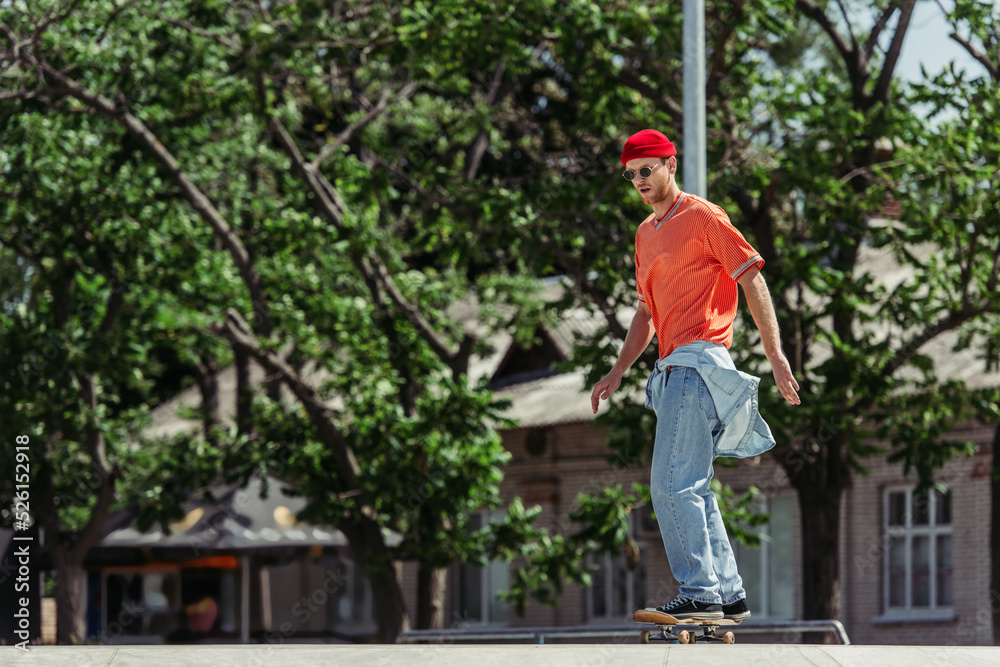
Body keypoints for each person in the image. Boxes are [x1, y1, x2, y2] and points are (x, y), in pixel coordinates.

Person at [590, 129, 800, 622]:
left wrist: (776, 356)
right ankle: (727, 593)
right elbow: (645, 313)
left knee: (669, 485)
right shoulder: (645, 234)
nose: (639, 180)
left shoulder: (703, 216)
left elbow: (751, 276)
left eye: (647, 169)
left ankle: (699, 592)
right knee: (695, 486)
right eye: (631, 173)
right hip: (670, 372)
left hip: (698, 362)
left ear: (670, 165)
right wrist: (618, 371)